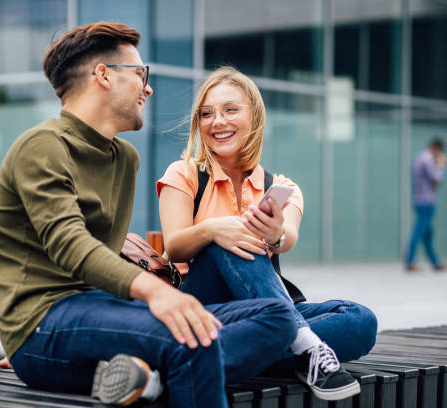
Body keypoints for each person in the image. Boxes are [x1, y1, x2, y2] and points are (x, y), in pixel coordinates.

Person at [0, 23, 299, 408]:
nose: (147, 88)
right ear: (103, 74)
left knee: (277, 317)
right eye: (140, 74)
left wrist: (142, 313)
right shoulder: (42, 146)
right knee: (190, 339)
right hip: (43, 324)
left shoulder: (123, 158)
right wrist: (156, 294)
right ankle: (151, 367)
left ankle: (143, 378)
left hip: (103, 313)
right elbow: (72, 247)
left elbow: (108, 252)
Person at [157, 66, 377, 401]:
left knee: (361, 320)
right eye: (207, 113)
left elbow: (288, 237)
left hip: (267, 310)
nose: (218, 121)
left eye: (231, 110)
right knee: (229, 239)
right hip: (205, 306)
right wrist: (214, 229)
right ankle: (305, 347)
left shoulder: (281, 187)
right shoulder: (183, 173)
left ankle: (239, 354)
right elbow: (173, 248)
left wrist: (274, 235)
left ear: (255, 117)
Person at [405, 138, 447, 272]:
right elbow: (436, 180)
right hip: (426, 202)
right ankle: (409, 261)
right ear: (436, 148)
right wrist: (441, 166)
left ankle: (435, 262)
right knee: (418, 232)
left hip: (420, 200)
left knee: (428, 234)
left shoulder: (419, 158)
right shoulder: (427, 159)